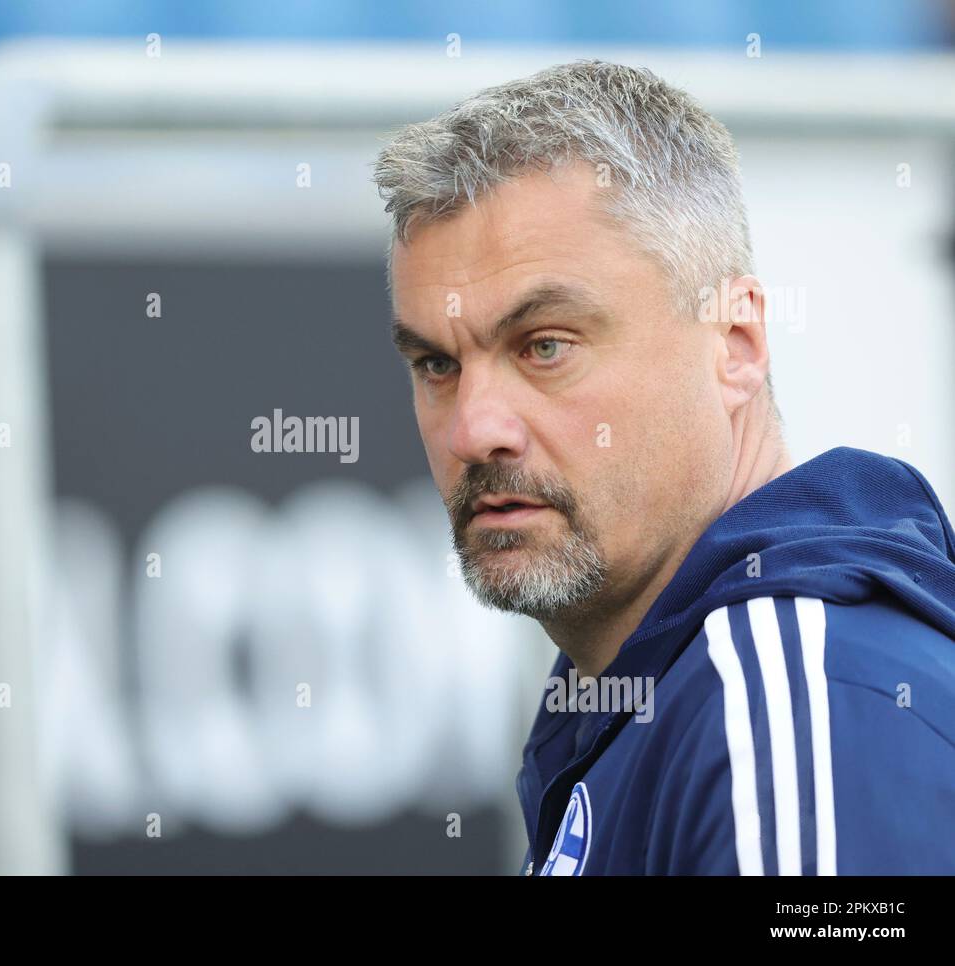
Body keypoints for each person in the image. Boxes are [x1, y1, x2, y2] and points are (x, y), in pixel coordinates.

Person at [373, 60, 955, 874]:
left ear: (735, 346)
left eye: (545, 346)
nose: (474, 429)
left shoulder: (796, 707)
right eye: (437, 365)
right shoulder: (664, 690)